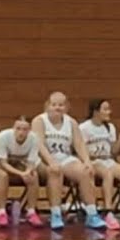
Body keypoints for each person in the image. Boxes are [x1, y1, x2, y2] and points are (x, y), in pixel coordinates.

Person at [32, 91, 106, 230]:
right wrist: (51, 161)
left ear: (66, 106)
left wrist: (87, 162)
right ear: (48, 105)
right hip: (42, 159)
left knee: (85, 172)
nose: (57, 108)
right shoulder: (39, 121)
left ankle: (91, 213)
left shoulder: (71, 122)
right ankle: (56, 214)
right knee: (55, 172)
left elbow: (79, 144)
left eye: (61, 105)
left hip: (64, 157)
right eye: (54, 104)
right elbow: (39, 145)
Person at [80, 98, 120, 230]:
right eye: (105, 109)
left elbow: (114, 151)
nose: (109, 112)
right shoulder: (84, 128)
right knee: (107, 174)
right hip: (93, 161)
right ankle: (108, 211)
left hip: (108, 160)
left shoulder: (110, 127)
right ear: (96, 111)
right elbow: (81, 151)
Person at [0, 116, 47, 227]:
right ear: (13, 128)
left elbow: (31, 162)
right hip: (1, 163)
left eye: (24, 129)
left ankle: (31, 212)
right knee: (3, 176)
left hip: (21, 163)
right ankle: (1, 213)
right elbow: (3, 163)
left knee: (33, 175)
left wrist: (27, 172)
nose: (21, 132)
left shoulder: (34, 138)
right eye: (18, 128)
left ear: (29, 130)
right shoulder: (3, 136)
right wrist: (21, 174)